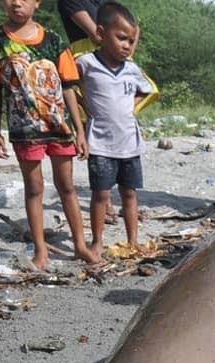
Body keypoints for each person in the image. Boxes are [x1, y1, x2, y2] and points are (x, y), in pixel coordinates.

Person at [0, 0, 99, 270]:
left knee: (66, 186)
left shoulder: (54, 41)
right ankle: (41, 251)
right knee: (34, 188)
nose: (16, 3)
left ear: (37, 3)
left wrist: (80, 130)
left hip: (59, 127)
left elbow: (68, 88)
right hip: (24, 129)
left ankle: (80, 246)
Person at [75, 2, 153, 257]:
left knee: (129, 194)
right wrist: (79, 115)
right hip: (100, 142)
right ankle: (97, 242)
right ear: (100, 33)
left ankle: (133, 240)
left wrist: (129, 108)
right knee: (101, 195)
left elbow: (147, 90)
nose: (127, 46)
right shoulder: (86, 63)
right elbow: (66, 86)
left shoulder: (131, 69)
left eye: (131, 41)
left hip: (129, 142)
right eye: (121, 38)